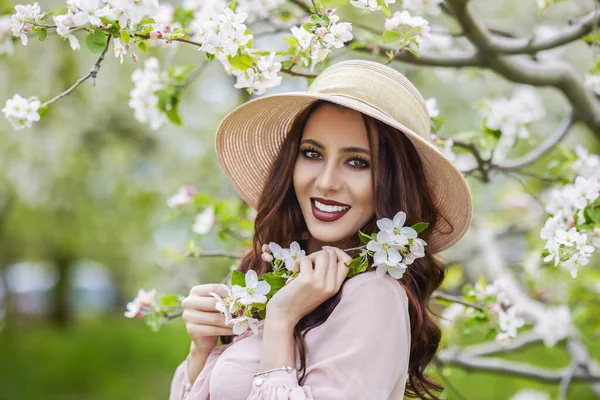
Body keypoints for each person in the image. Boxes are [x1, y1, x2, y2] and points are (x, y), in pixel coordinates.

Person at [169, 59, 472, 400]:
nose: (326, 182)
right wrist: (202, 351)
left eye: (357, 162)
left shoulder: (373, 297)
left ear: (392, 182)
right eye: (312, 153)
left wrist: (282, 320)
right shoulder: (275, 273)